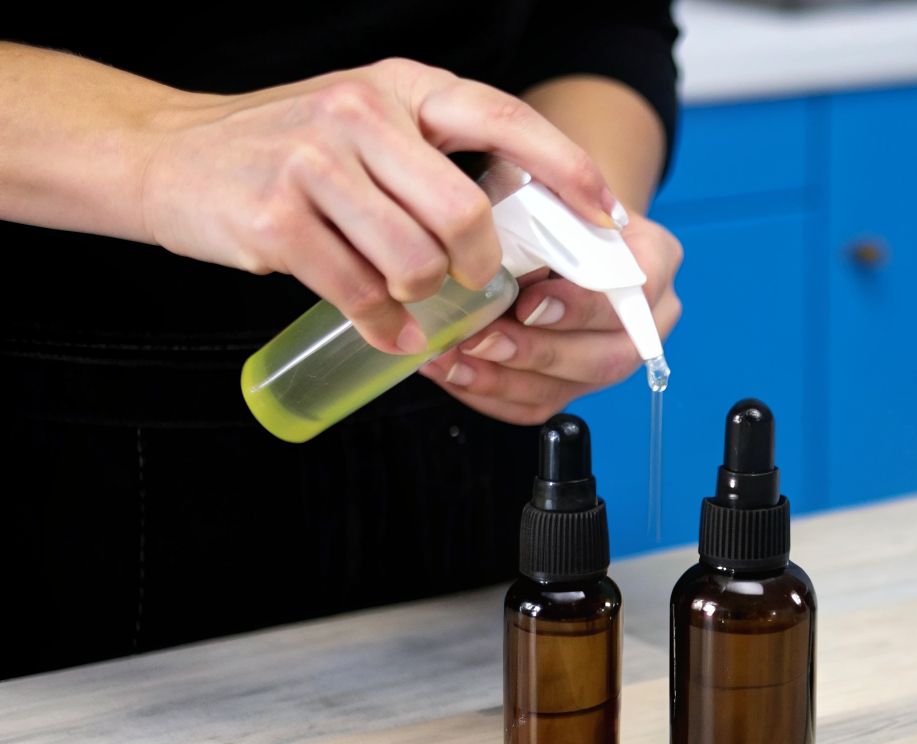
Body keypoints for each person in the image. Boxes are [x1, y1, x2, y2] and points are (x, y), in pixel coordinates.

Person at [0, 4, 684, 678]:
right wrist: (157, 148)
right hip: (59, 459)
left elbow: (600, 23)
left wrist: (574, 212)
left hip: (451, 414)